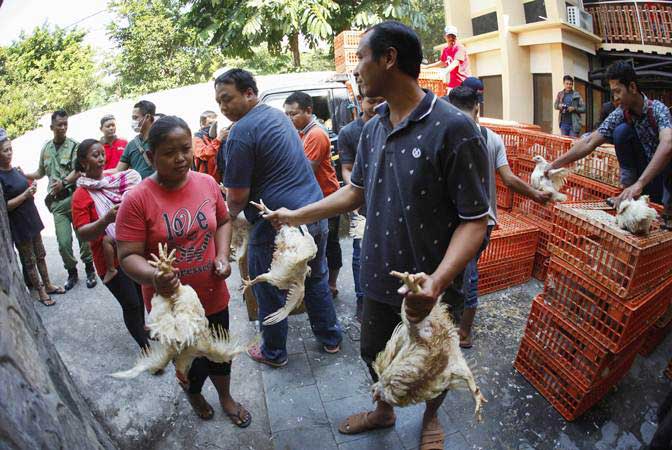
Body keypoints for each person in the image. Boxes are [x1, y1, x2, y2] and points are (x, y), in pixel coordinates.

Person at [264, 22, 490, 448]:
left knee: (433, 359)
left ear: (388, 59)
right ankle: (384, 411)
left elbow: (476, 219)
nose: (357, 69)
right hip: (378, 273)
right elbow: (355, 192)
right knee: (373, 351)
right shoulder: (373, 127)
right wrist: (295, 216)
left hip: (432, 284)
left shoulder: (454, 129)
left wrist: (438, 282)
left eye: (362, 58)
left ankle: (430, 419)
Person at [115, 116, 251, 425]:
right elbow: (127, 256)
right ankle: (195, 395)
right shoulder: (136, 199)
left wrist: (222, 256)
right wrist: (154, 277)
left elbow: (225, 221)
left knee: (219, 352)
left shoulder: (205, 183)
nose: (180, 158)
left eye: (185, 149)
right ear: (150, 157)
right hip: (173, 309)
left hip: (213, 294)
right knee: (190, 363)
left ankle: (226, 397)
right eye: (169, 152)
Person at [215, 68, 342, 367]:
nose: (222, 107)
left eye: (227, 99)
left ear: (249, 93)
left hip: (278, 224)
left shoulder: (243, 132)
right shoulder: (276, 117)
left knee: (267, 287)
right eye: (218, 101)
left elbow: (236, 197)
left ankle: (274, 352)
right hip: (312, 213)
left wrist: (222, 224)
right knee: (316, 278)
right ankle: (331, 339)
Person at [448, 84, 552, 348]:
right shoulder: (490, 137)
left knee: (466, 272)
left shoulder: (446, 135)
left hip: (463, 223)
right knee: (464, 270)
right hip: (483, 223)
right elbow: (508, 178)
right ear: (477, 109)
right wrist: (535, 194)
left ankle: (464, 331)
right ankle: (458, 318)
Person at [548, 61, 672, 225]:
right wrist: (553, 165)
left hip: (665, 173)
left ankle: (668, 210)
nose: (615, 98)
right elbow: (590, 141)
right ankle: (628, 194)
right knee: (621, 132)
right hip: (646, 174)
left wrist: (640, 184)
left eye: (618, 91)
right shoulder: (621, 113)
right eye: (613, 93)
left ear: (632, 88)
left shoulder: (657, 109)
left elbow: (668, 144)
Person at [71, 139, 148, 350]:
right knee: (130, 303)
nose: (101, 158)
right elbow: (83, 233)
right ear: (83, 163)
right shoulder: (81, 195)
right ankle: (145, 347)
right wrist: (106, 219)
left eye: (102, 154)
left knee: (140, 296)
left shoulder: (114, 181)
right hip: (109, 261)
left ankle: (142, 328)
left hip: (130, 250)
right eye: (95, 155)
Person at [23, 109, 96, 290]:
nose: (63, 128)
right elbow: (40, 172)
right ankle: (72, 272)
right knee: (63, 243)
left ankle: (90, 270)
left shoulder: (74, 146)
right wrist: (23, 174)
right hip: (57, 203)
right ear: (52, 127)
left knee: (83, 238)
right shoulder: (46, 149)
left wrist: (63, 183)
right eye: (59, 125)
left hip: (74, 197)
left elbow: (79, 169)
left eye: (65, 124)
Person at [283, 91, 343, 297]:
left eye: (294, 114)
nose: (290, 119)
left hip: (327, 198)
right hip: (317, 198)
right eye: (287, 115)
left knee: (330, 245)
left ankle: (332, 285)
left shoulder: (316, 134)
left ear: (309, 111)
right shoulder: (303, 133)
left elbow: (306, 169)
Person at [0, 130, 65, 305]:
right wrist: (25, 195)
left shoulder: (15, 170)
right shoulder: (1, 177)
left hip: (31, 218)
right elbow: (4, 206)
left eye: (10, 149)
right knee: (29, 261)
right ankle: (41, 291)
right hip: (19, 224)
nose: (9, 153)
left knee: (41, 255)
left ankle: (48, 284)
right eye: (5, 150)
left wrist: (32, 187)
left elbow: (25, 187)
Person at [337, 93, 385, 321]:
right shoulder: (349, 132)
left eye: (381, 100)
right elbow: (346, 168)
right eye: (372, 100)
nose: (377, 105)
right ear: (360, 101)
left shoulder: (392, 125)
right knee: (360, 253)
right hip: (361, 204)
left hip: (388, 203)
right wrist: (357, 189)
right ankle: (362, 300)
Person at [115, 100, 156, 179]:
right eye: (132, 118)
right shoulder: (131, 145)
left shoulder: (161, 141)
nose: (133, 122)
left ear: (147, 117)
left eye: (135, 118)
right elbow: (118, 170)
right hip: (139, 189)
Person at [422, 25, 470, 90]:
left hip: (464, 83)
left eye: (453, 36)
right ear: (445, 37)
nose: (451, 38)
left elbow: (456, 62)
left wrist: (444, 71)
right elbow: (442, 63)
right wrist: (427, 67)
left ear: (456, 37)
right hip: (453, 84)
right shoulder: (446, 49)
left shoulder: (459, 47)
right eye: (449, 36)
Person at [193, 110, 227, 182]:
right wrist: (218, 140)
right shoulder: (197, 139)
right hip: (204, 180)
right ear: (202, 125)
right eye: (210, 123)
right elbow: (204, 154)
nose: (212, 127)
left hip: (218, 180)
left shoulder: (215, 139)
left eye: (214, 124)